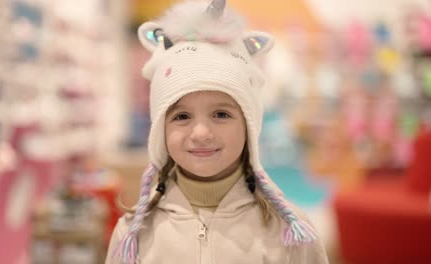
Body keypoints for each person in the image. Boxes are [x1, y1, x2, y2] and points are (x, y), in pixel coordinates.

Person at [106, 0, 329, 263]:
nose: (200, 132)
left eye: (221, 114)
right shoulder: (135, 234)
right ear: (160, 130)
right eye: (182, 116)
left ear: (248, 124)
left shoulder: (290, 232)